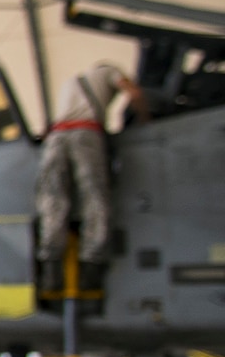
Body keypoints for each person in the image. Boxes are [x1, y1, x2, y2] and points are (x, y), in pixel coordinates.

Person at [35, 60, 147, 268]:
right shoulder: (110, 71)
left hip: (56, 137)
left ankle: (50, 258)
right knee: (94, 194)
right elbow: (135, 93)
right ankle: (91, 258)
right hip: (85, 134)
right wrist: (144, 119)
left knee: (52, 196)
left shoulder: (71, 81)